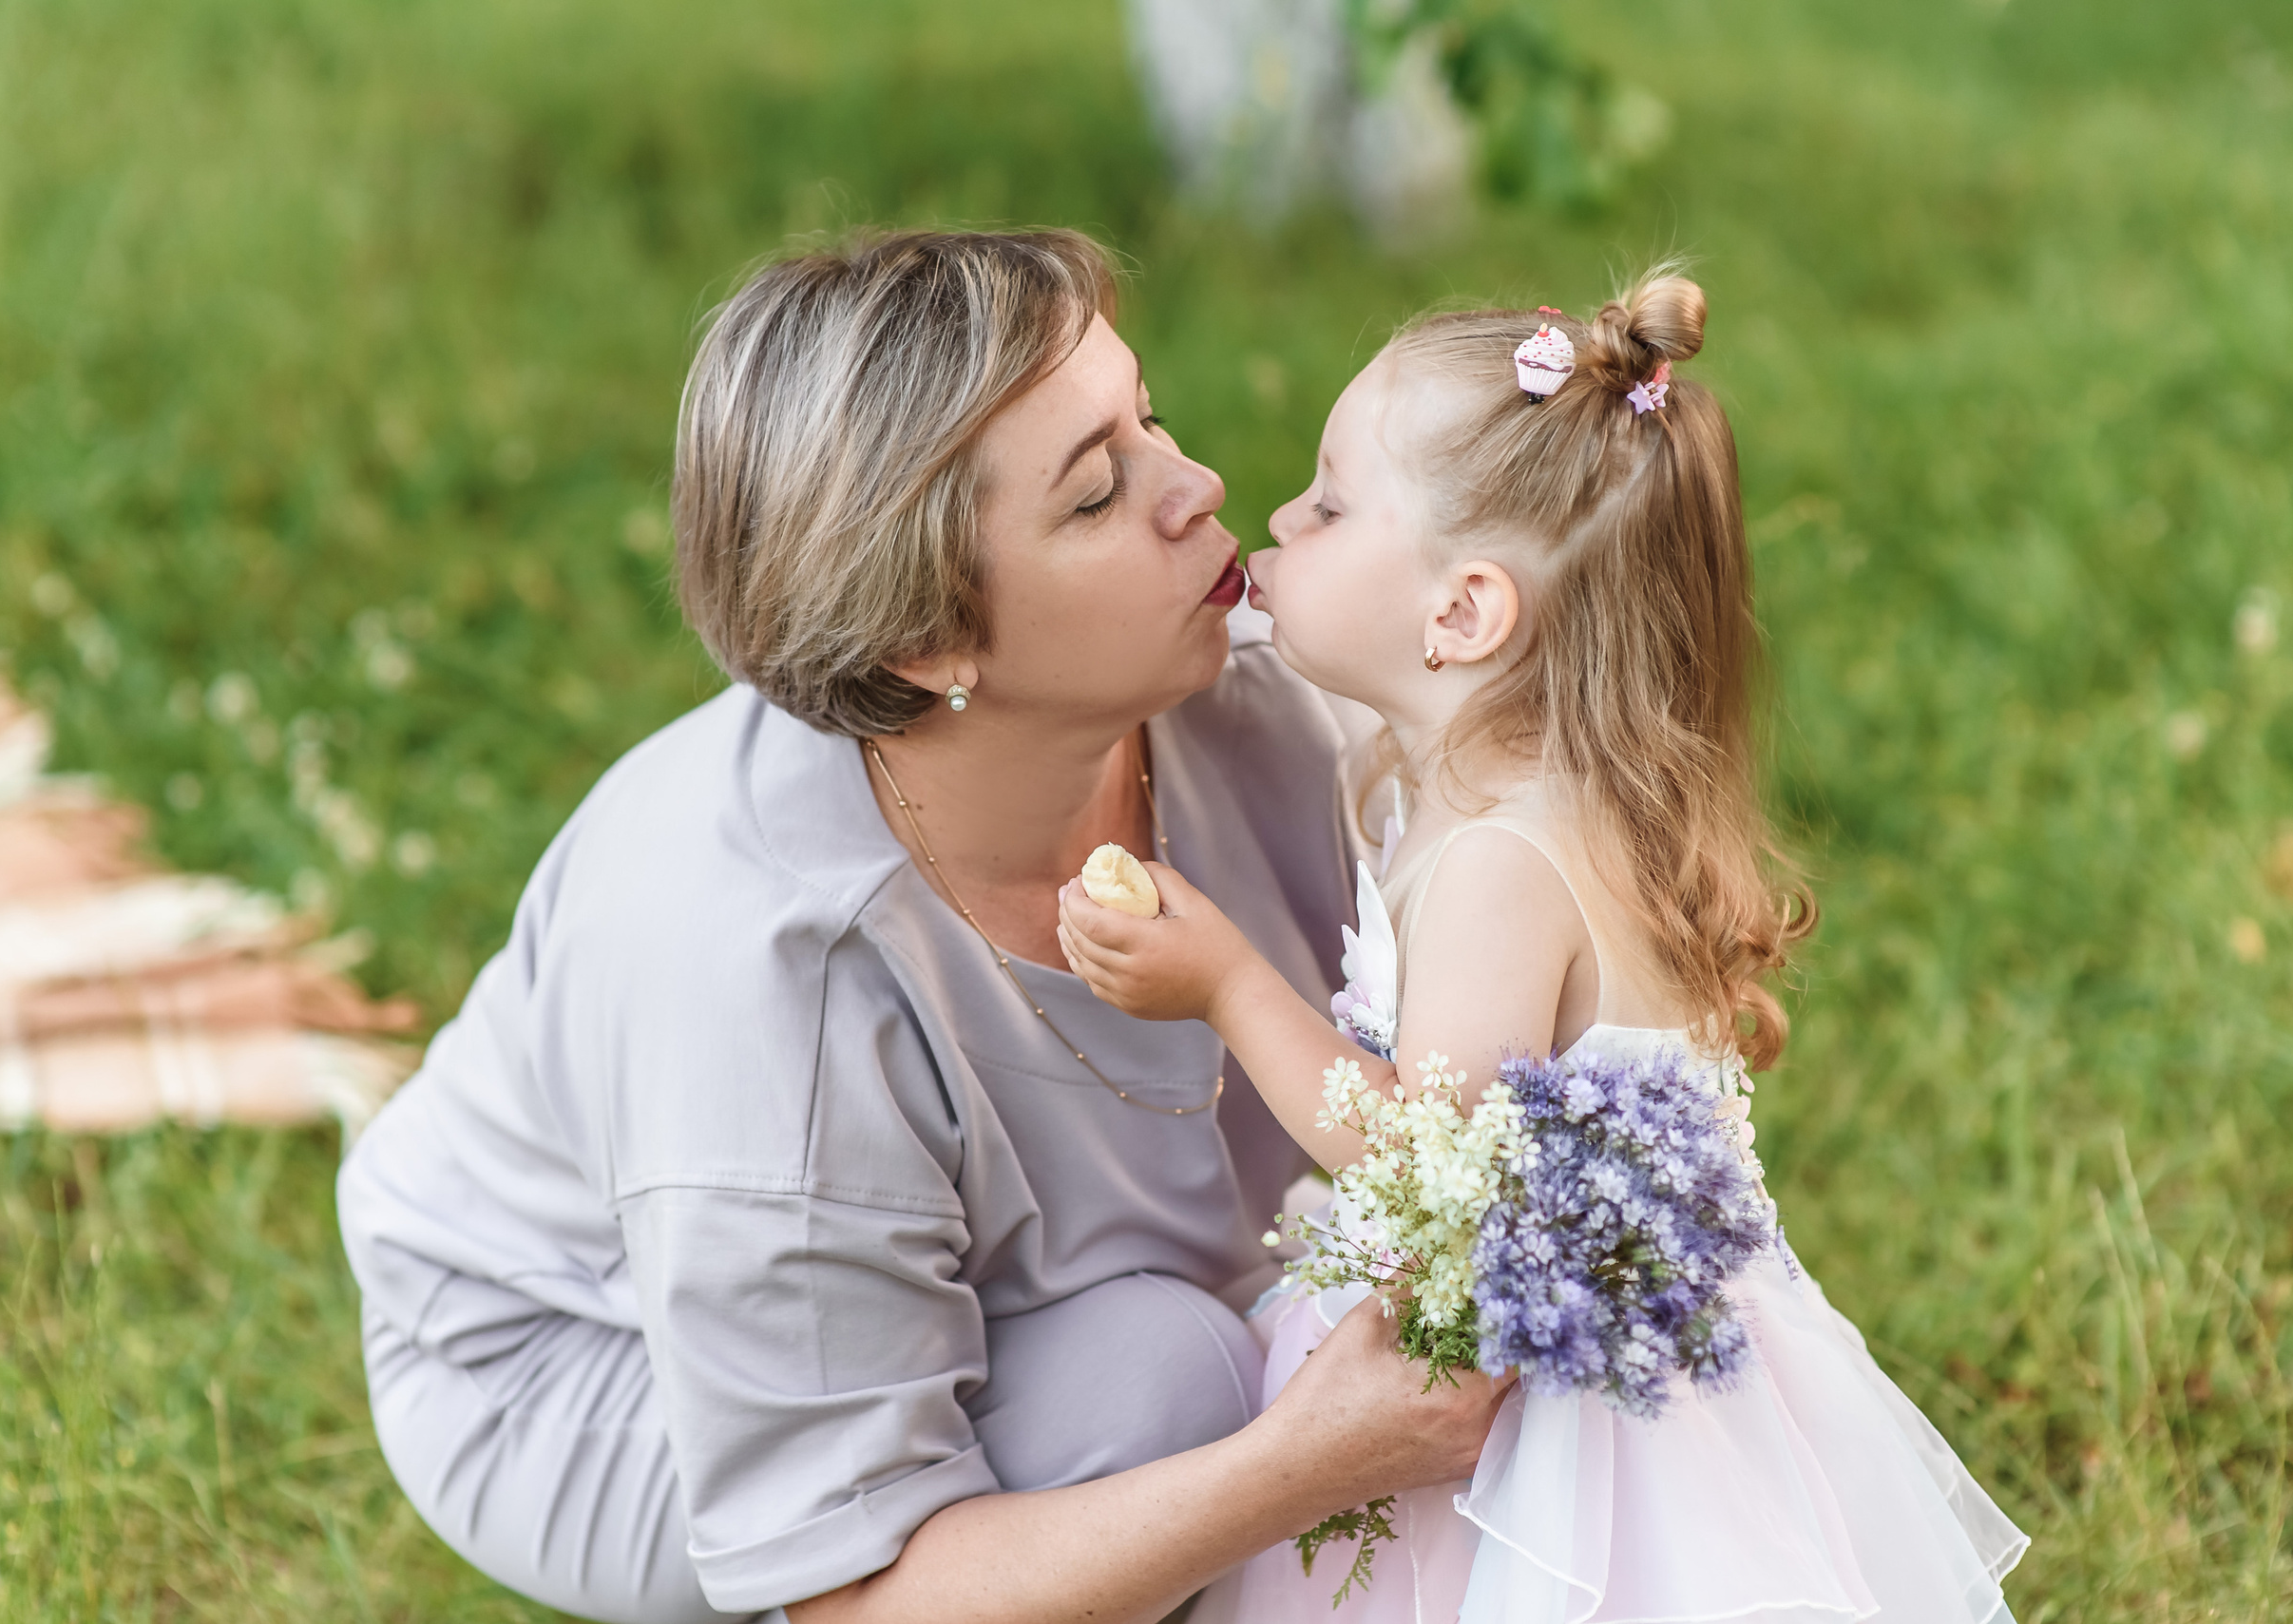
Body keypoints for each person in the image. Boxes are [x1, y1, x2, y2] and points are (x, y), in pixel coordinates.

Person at [334, 228, 1510, 1624]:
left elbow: (1527, 856)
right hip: (589, 1363)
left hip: (981, 1271)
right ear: (927, 644)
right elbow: (858, 1598)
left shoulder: (1244, 694)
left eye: (1146, 418)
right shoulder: (770, 981)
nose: (1197, 489)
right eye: (1095, 496)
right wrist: (1302, 1461)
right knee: (1165, 1382)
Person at [1058, 272, 2031, 1622]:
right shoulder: (1474, 775)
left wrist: (1223, 981)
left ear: (1461, 617)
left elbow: (1424, 1165)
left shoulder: (1503, 863)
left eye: (1329, 504)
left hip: (1554, 1422)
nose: (1275, 515)